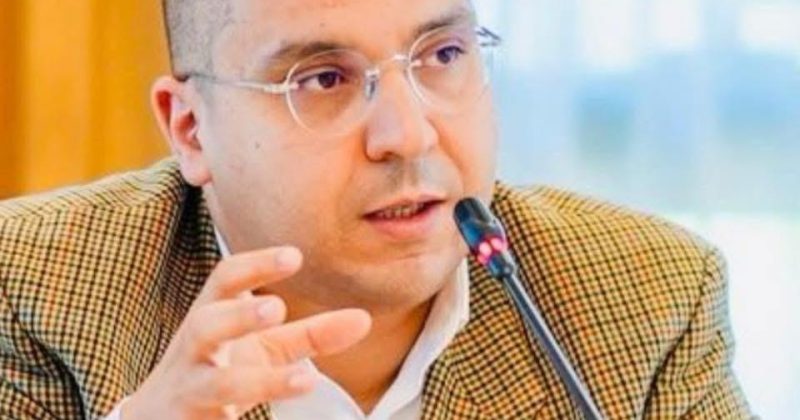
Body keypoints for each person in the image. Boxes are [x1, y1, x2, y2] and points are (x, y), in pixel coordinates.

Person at [0, 0, 752, 419]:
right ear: (192, 129)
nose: (409, 134)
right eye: (322, 79)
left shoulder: (648, 297)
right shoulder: (34, 284)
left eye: (444, 56)